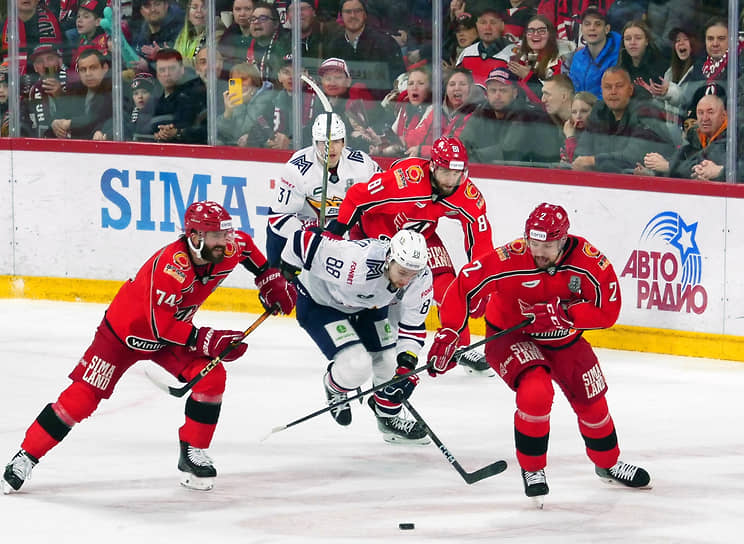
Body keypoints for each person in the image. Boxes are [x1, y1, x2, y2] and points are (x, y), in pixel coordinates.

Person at [1, 201, 297, 494]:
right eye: (217, 236)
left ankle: (192, 453)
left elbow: (247, 249)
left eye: (225, 234)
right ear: (195, 237)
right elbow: (161, 326)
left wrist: (268, 278)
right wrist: (209, 339)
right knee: (82, 398)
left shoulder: (227, 247)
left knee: (212, 377)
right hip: (123, 335)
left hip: (172, 337)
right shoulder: (171, 267)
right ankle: (26, 456)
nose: (225, 242)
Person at [426, 202, 652, 507]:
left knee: (593, 402)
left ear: (563, 240)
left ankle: (608, 464)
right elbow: (464, 284)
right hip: (512, 337)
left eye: (546, 245)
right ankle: (533, 471)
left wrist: (568, 313)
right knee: (536, 390)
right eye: (533, 244)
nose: (538, 252)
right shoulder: (511, 257)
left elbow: (608, 312)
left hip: (565, 340)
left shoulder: (589, 263)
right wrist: (451, 330)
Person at [327, 136, 495, 376]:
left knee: (449, 286)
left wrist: (482, 283)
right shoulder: (406, 180)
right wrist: (335, 235)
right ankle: (356, 342)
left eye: (457, 174)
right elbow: (356, 197)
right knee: (376, 290)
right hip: (379, 230)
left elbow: (480, 236)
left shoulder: (466, 193)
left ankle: (458, 344)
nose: (451, 180)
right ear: (434, 166)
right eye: (446, 172)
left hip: (421, 233)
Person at [280, 228, 432, 444]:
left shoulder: (421, 275)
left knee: (389, 365)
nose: (407, 281)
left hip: (368, 306)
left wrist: (406, 368)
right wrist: (285, 272)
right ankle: (334, 386)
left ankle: (387, 418)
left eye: (413, 274)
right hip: (321, 303)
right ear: (389, 259)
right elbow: (300, 239)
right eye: (403, 272)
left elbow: (413, 326)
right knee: (356, 367)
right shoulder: (354, 262)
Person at [265, 111, 380, 267]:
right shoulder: (297, 169)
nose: (329, 148)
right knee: (277, 282)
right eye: (322, 142)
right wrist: (309, 236)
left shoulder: (363, 165)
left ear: (344, 142)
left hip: (341, 232)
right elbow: (278, 217)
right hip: (303, 230)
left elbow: (382, 199)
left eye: (336, 141)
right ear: (314, 142)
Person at [572, 66, 673, 173]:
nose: (613, 92)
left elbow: (634, 158)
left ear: (630, 89)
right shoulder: (598, 112)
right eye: (607, 87)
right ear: (601, 90)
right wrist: (585, 162)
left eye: (619, 86)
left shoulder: (647, 112)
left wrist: (594, 161)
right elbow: (581, 153)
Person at [459, 66, 560, 165]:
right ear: (487, 94)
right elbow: (462, 142)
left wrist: (469, 157)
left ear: (515, 93)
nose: (497, 96)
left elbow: (505, 152)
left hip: (535, 176)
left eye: (503, 90)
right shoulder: (482, 111)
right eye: (493, 90)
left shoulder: (525, 115)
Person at [324, 0, 407, 100]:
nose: (353, 15)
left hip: (380, 108)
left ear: (365, 15)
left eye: (357, 11)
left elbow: (398, 83)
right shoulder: (335, 44)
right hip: (343, 107)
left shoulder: (385, 43)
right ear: (341, 16)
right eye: (348, 12)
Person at [641, 90, 727, 180]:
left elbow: (703, 164)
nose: (705, 118)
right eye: (700, 113)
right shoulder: (692, 144)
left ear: (724, 115)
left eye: (710, 112)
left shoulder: (732, 140)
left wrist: (668, 166)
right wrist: (653, 173)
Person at [50, 48, 112, 140]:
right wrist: (55, 123)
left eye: (93, 68)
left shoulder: (114, 91)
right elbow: (62, 112)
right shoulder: (76, 90)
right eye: (83, 70)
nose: (88, 74)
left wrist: (69, 123)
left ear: (105, 68)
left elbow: (95, 118)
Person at [150, 48, 204, 143]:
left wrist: (177, 132)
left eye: (171, 68)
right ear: (157, 74)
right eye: (162, 70)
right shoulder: (155, 96)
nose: (167, 74)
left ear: (182, 69)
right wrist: (155, 134)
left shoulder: (195, 93)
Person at [568, 6, 621, 99]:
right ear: (582, 29)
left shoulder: (618, 57)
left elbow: (610, 96)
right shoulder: (578, 57)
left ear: (607, 29)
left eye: (598, 24)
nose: (592, 28)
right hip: (578, 110)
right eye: (587, 24)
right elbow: (571, 89)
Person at [216, 62, 274, 147]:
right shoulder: (228, 99)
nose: (240, 84)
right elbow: (219, 134)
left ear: (254, 80)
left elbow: (240, 133)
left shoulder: (267, 99)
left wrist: (241, 104)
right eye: (235, 81)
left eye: (243, 79)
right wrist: (227, 113)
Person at [456, 4, 510, 89]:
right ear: (477, 25)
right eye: (483, 22)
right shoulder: (466, 53)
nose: (487, 28)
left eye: (493, 22)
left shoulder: (513, 55)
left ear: (502, 25)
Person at [561, 90, 597, 164]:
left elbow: (578, 162)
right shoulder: (569, 131)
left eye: (584, 111)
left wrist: (570, 137)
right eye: (574, 112)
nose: (578, 116)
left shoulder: (598, 134)